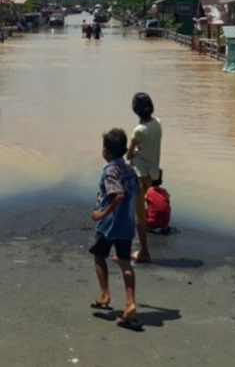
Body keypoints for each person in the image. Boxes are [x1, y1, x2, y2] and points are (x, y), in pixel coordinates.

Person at [89, 128, 140, 329]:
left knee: (99, 256)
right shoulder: (130, 170)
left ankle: (105, 295)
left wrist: (101, 214)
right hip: (126, 224)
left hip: (109, 224)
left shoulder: (111, 171)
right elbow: (136, 192)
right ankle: (130, 303)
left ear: (106, 152)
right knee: (125, 263)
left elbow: (117, 195)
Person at [127, 92, 161, 263]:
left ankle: (144, 252)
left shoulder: (138, 130)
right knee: (138, 209)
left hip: (141, 174)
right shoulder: (158, 124)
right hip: (152, 173)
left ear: (135, 110)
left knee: (139, 214)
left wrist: (131, 148)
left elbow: (129, 154)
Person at [145, 169, 171, 234]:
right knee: (164, 207)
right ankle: (164, 227)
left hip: (152, 222)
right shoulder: (164, 191)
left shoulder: (148, 192)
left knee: (143, 210)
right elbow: (167, 202)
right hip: (165, 222)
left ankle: (148, 227)